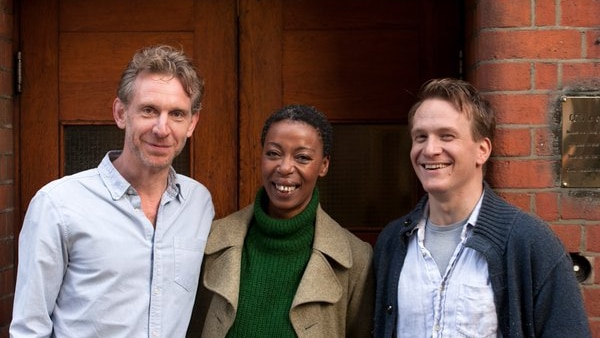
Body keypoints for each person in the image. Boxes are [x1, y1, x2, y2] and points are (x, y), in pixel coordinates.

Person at [10, 45, 214, 337]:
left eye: (177, 114)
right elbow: (30, 328)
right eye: (148, 110)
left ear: (192, 123)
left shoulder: (198, 203)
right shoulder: (58, 205)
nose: (162, 128)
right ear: (121, 113)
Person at [373, 78, 591, 337]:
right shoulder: (392, 242)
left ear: (482, 150)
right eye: (420, 137)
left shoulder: (529, 242)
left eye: (447, 136)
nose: (429, 149)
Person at [189, 104, 374, 337]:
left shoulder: (356, 259)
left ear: (324, 165)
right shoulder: (211, 241)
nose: (285, 167)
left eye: (302, 157)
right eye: (273, 153)